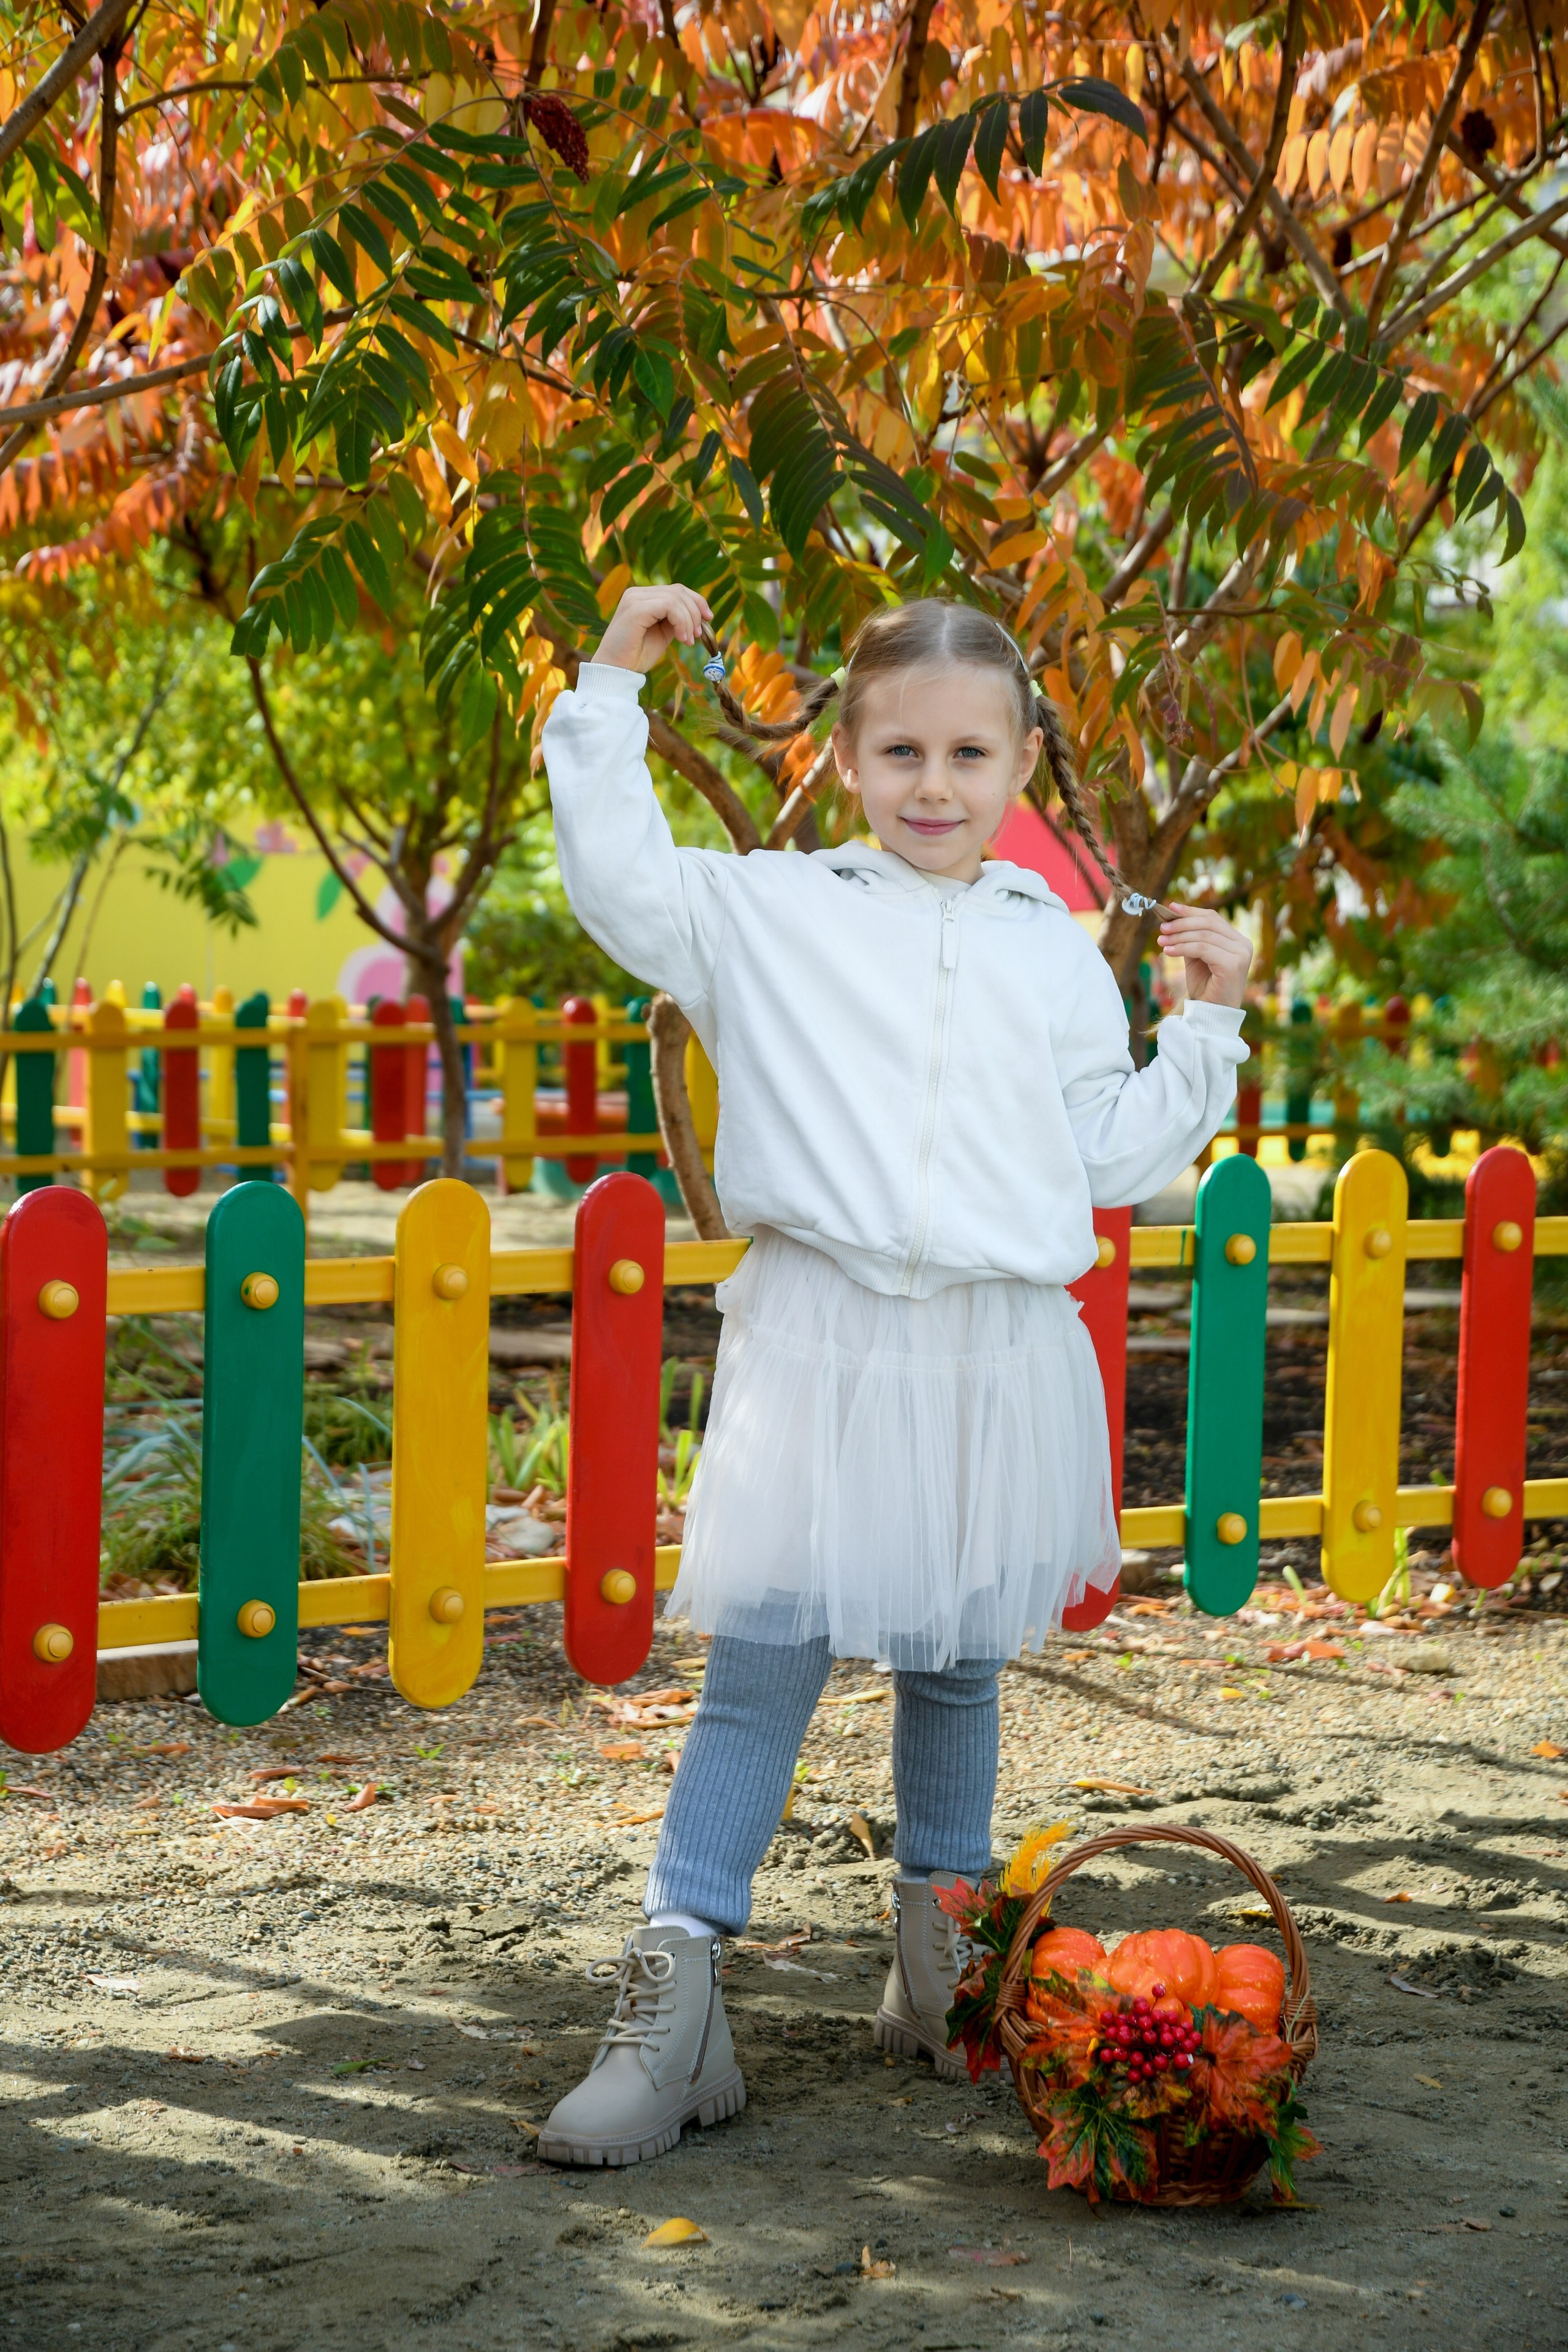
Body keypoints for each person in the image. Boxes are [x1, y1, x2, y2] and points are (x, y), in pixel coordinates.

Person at [535, 583, 1252, 2168]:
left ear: (1022, 764)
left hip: (991, 1353)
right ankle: (679, 2010)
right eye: (904, 748)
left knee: (956, 1663)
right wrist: (610, 689)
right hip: (828, 1337)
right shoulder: (773, 911)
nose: (938, 783)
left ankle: (946, 1979)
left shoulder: (1055, 956)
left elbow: (1109, 1152)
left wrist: (1207, 1030)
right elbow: (622, 882)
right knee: (765, 1665)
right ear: (849, 754)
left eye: (972, 753)